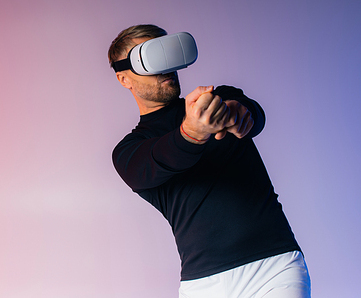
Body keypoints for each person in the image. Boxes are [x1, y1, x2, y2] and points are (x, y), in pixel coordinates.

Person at [108, 24, 311, 298]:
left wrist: (239, 113)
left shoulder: (218, 101)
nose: (164, 68)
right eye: (149, 60)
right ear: (124, 79)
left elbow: (252, 113)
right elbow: (158, 161)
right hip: (202, 285)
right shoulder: (130, 151)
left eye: (166, 54)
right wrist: (191, 133)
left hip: (273, 267)